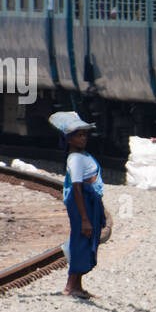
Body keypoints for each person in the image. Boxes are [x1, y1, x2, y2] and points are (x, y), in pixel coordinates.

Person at [48, 111, 110, 300]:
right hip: (82, 203)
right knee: (81, 241)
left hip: (89, 201)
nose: (83, 138)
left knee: (86, 242)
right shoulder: (75, 159)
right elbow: (76, 188)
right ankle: (70, 286)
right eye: (79, 135)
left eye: (84, 134)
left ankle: (77, 286)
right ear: (69, 139)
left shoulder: (82, 155)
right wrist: (84, 219)